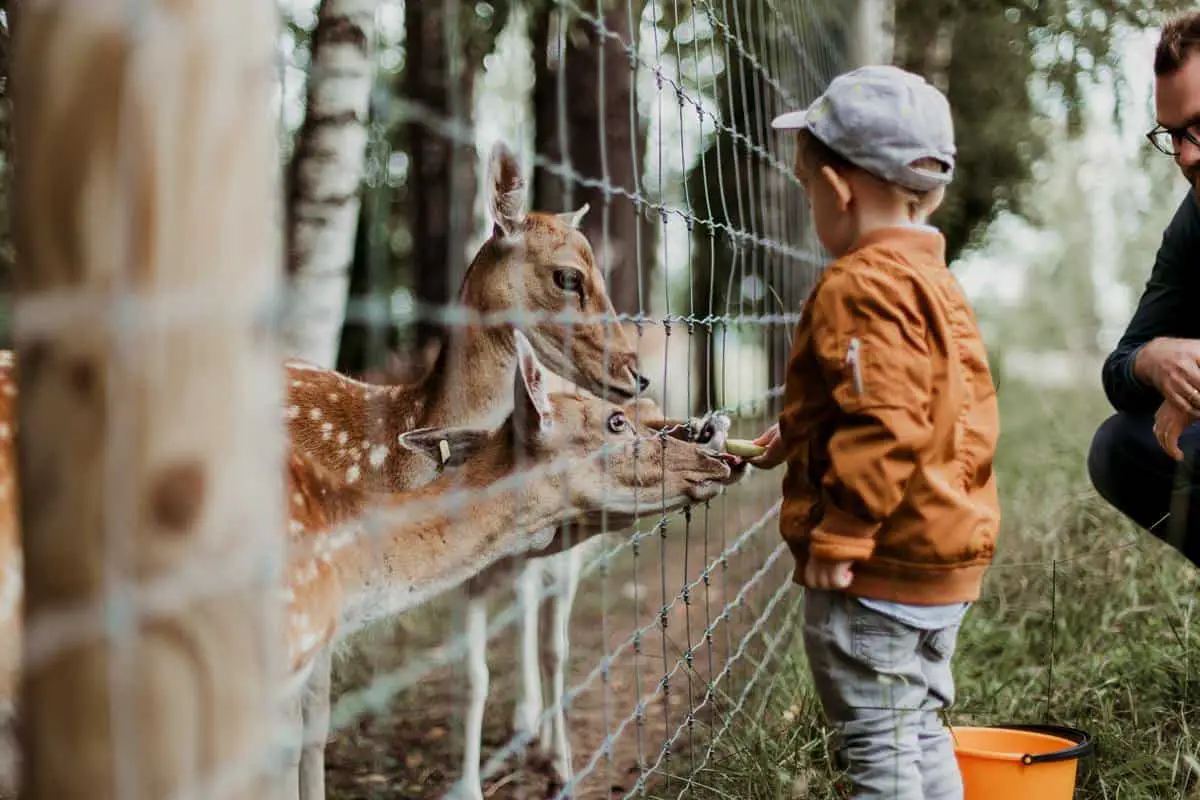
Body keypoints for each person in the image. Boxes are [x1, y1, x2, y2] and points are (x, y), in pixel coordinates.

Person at [749, 65, 1001, 800]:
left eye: (806, 189)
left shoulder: (858, 285)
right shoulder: (935, 284)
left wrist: (845, 531)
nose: (811, 206)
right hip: (938, 563)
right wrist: (799, 434)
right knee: (919, 732)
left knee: (879, 754)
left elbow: (887, 420)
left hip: (877, 570)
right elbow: (928, 407)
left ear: (837, 191)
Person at [1087, 11, 1200, 565]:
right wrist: (1155, 362)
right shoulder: (1194, 221)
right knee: (1119, 447)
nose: (1186, 156)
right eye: (1174, 135)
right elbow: (1120, 367)